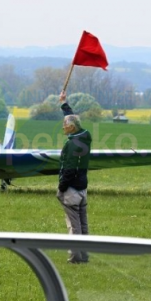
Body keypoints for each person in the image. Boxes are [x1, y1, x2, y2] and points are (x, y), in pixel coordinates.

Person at [56, 90, 92, 264]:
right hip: (83, 188)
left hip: (71, 190)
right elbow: (73, 118)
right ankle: (84, 255)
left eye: (65, 124)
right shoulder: (85, 137)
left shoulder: (71, 145)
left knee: (74, 225)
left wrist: (61, 188)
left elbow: (69, 169)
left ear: (71, 127)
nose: (63, 126)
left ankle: (75, 257)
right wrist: (64, 104)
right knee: (83, 224)